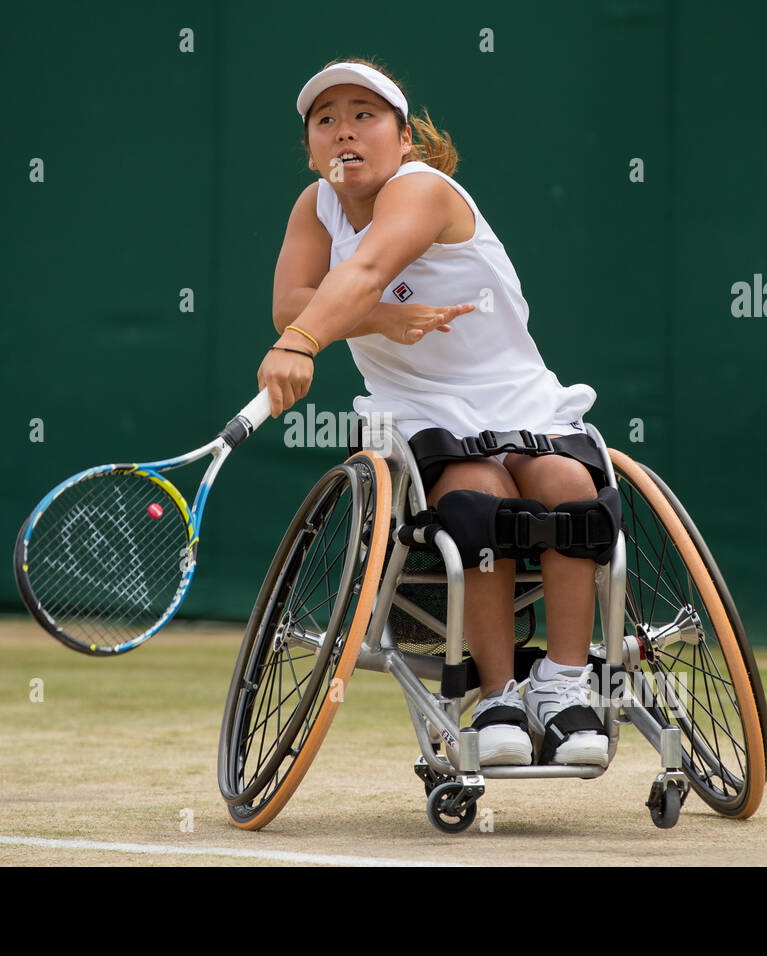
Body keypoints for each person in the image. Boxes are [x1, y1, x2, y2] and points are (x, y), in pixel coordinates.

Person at [258, 57, 608, 768]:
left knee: (568, 488)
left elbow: (356, 277)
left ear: (404, 138)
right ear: (311, 149)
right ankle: (500, 693)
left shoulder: (423, 190)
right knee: (476, 497)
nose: (344, 132)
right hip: (418, 412)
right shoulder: (314, 207)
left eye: (364, 115)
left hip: (518, 394)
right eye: (326, 121)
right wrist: (379, 321)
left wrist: (304, 343)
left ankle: (567, 687)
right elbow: (292, 301)